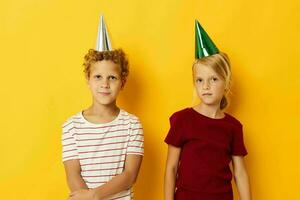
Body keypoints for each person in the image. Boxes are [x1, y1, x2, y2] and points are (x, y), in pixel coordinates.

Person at [164, 20, 251, 200]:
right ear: (194, 83)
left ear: (226, 83)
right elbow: (171, 168)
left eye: (213, 79)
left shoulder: (233, 127)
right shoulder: (182, 120)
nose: (206, 86)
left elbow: (240, 173)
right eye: (200, 80)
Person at [62, 16, 144, 200]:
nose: (105, 84)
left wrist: (93, 196)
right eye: (98, 77)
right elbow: (72, 173)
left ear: (122, 82)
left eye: (112, 78)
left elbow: (130, 175)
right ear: (88, 81)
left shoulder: (132, 124)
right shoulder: (71, 126)